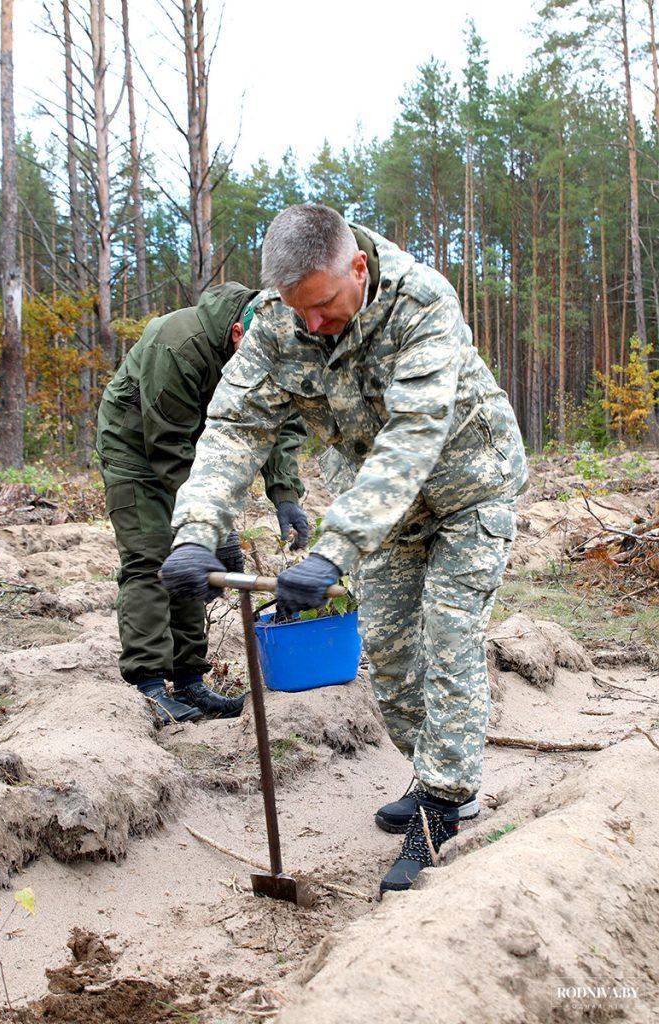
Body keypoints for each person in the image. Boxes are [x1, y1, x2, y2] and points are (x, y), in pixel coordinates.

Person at [160, 206, 528, 894]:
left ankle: (445, 804)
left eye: (324, 307)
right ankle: (438, 775)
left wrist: (334, 550)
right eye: (299, 311)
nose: (313, 326)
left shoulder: (422, 303)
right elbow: (235, 428)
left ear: (356, 267)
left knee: (448, 638)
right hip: (379, 508)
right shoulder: (277, 324)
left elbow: (414, 436)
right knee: (389, 659)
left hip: (466, 490)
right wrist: (194, 530)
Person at [96, 281, 309, 726]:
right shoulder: (179, 344)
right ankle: (150, 686)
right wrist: (215, 526)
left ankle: (189, 679)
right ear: (237, 334)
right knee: (152, 555)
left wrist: (284, 494)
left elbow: (276, 424)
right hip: (137, 448)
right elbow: (167, 444)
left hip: (196, 449)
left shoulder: (272, 341)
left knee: (192, 562)